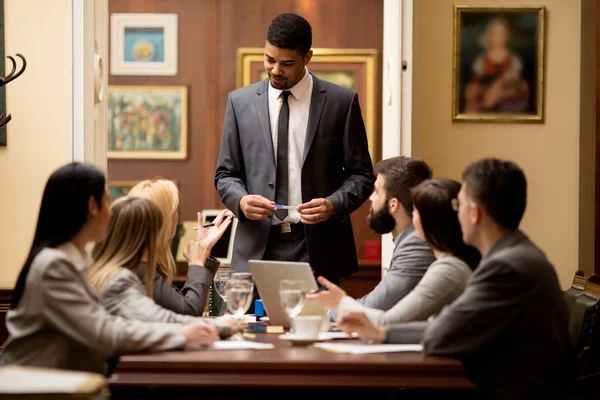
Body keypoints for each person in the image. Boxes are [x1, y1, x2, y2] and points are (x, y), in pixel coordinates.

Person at [338, 158, 574, 399]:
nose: (452, 212)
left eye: (457, 204)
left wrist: (382, 332)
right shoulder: (515, 254)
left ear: (474, 213)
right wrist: (383, 332)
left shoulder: (506, 267)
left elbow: (441, 335)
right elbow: (444, 329)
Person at [1, 163, 218, 374]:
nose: (112, 214)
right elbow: (106, 333)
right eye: (107, 202)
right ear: (92, 208)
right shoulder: (53, 266)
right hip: (37, 388)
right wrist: (183, 334)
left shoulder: (76, 262)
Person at [214, 13, 374, 284]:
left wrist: (333, 205)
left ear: (307, 57)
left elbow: (362, 175)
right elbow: (225, 175)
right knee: (248, 326)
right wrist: (240, 200)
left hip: (318, 248)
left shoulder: (341, 102)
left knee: (317, 327)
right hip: (256, 248)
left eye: (286, 63)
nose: (276, 70)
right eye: (269, 59)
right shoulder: (239, 103)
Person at [309, 179, 479, 325]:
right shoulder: (450, 262)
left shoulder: (448, 268)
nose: (412, 217)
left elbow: (389, 321)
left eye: (416, 211)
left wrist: (341, 303)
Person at [88, 196, 242, 337]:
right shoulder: (122, 278)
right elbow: (178, 314)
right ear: (151, 236)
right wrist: (220, 325)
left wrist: (203, 252)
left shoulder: (108, 271)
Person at [127, 179, 231, 315]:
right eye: (174, 211)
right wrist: (196, 264)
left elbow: (179, 303)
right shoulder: (141, 269)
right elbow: (189, 311)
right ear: (164, 218)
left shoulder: (142, 262)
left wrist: (203, 249)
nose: (177, 216)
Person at [463, 17, 529, 113]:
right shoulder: (482, 60)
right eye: (495, 34)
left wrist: (501, 85)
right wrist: (474, 90)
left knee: (507, 81)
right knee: (471, 90)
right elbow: (476, 81)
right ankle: (477, 109)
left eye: (501, 34)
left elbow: (517, 81)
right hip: (486, 90)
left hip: (508, 91)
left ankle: (487, 104)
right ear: (489, 36)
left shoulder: (513, 59)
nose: (498, 37)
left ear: (507, 36)